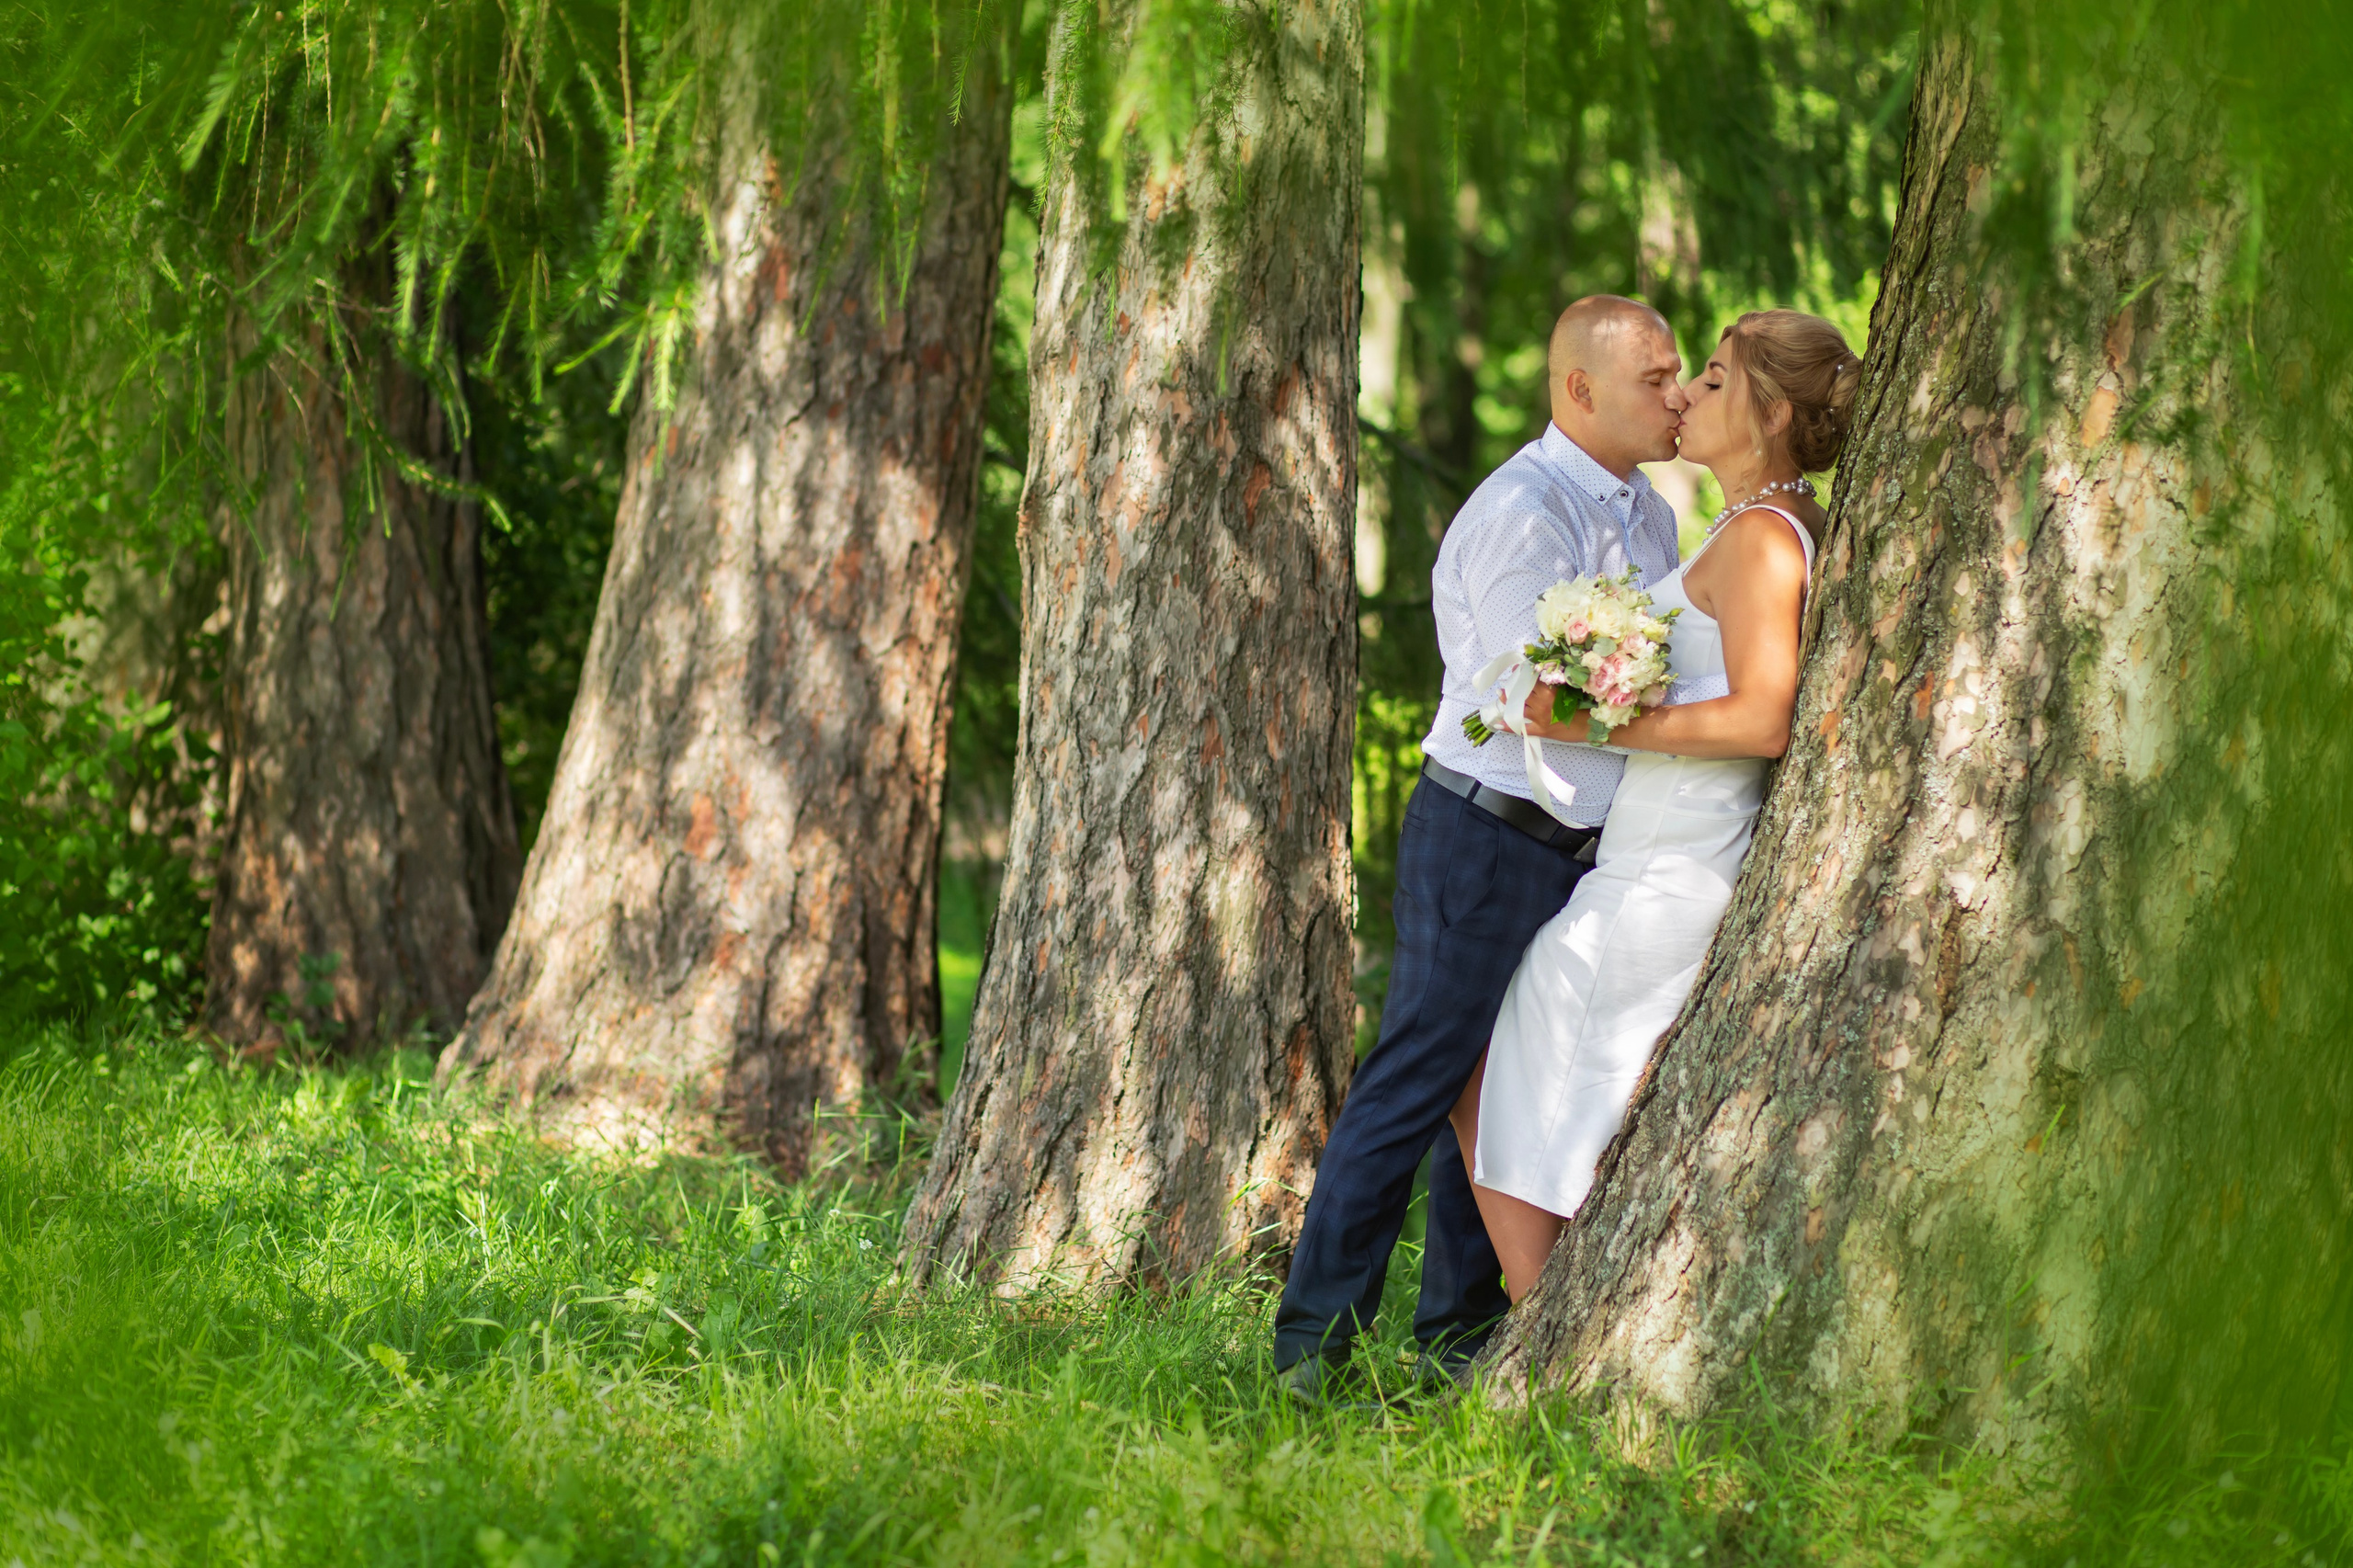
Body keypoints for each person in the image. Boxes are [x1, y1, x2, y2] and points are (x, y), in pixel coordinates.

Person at [1272, 295, 1688, 1402]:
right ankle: (1311, 1345)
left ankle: (1454, 1337)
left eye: (1679, 370)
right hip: (1486, 832)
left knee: (1509, 1090)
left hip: (1583, 847)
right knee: (1416, 1077)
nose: (1677, 392)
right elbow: (1524, 689)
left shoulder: (1651, 516)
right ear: (1578, 389)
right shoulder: (1521, 509)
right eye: (1653, 376)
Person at [1453, 308, 1861, 1300]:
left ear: (1768, 412)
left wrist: (1588, 724)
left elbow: (1763, 718)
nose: (1684, 394)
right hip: (1654, 853)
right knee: (1530, 1090)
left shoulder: (1766, 537)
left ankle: (1545, 1336)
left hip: (1668, 869)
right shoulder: (1753, 525)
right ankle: (1550, 1323)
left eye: (1712, 380)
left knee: (1492, 1085)